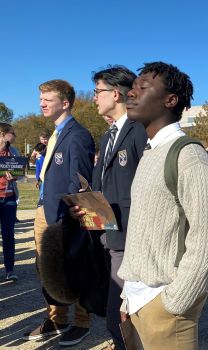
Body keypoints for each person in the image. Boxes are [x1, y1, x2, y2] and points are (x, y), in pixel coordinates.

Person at [117, 61, 208, 349]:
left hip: (167, 306)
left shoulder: (189, 156)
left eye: (142, 87)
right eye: (132, 87)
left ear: (170, 100)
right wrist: (129, 294)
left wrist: (177, 301)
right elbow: (144, 232)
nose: (131, 92)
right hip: (139, 302)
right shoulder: (151, 154)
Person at [70, 65, 146, 350]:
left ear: (116, 94)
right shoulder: (107, 135)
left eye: (97, 92)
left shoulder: (139, 130)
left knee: (120, 317)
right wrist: (85, 203)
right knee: (116, 314)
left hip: (130, 240)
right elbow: (101, 187)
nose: (94, 99)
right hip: (105, 234)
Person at [23, 79, 95, 346]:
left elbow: (80, 181)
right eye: (40, 98)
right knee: (47, 270)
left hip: (65, 215)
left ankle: (82, 321)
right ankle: (57, 319)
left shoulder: (77, 135)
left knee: (74, 267)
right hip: (45, 210)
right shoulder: (54, 133)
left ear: (65, 103)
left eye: (48, 99)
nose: (41, 103)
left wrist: (71, 216)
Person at [0, 123, 20, 282]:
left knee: (8, 235)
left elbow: (19, 171)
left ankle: (10, 270)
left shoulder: (13, 151)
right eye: (12, 133)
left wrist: (16, 176)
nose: (14, 136)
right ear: (2, 134)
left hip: (10, 198)